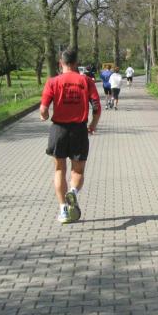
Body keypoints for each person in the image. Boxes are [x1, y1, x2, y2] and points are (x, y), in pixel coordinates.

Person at [40, 48, 101, 224]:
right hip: (79, 130)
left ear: (61, 63)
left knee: (59, 170)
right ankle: (73, 192)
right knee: (78, 171)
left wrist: (44, 116)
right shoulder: (86, 81)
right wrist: (93, 125)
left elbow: (43, 109)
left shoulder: (53, 82)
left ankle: (63, 211)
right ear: (76, 63)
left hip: (58, 130)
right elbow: (97, 107)